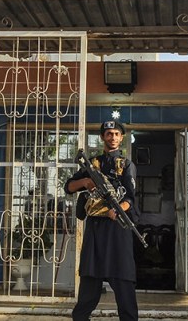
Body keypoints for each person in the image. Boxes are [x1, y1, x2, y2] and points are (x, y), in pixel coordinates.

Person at [64, 120, 138, 321]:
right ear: (102, 137)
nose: (112, 137)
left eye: (116, 134)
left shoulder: (126, 165)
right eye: (109, 134)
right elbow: (69, 186)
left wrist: (119, 209)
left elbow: (131, 198)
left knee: (124, 282)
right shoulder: (93, 164)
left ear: (121, 138)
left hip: (118, 229)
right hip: (95, 229)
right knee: (89, 282)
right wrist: (86, 182)